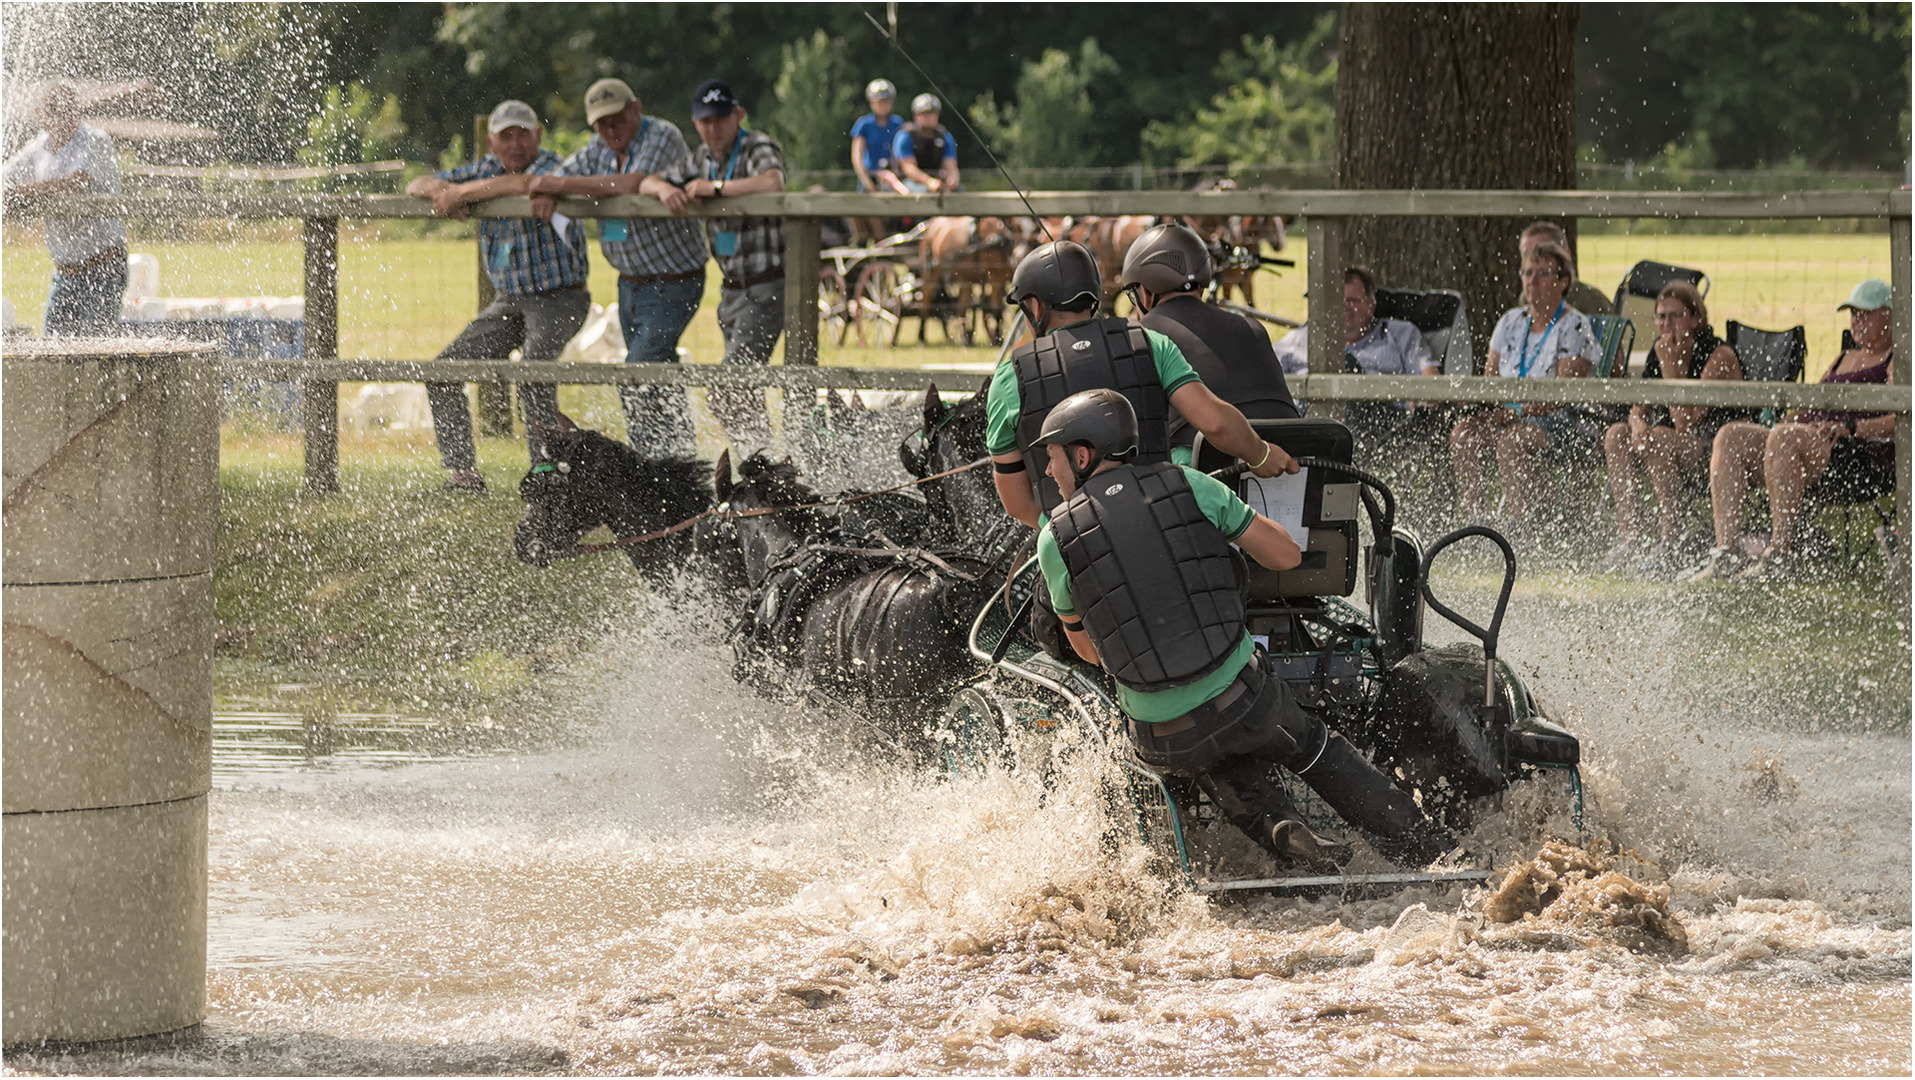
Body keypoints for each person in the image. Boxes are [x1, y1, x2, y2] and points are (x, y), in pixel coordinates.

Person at [1032, 389, 1461, 871]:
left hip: (1159, 734)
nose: (1049, 471)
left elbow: (1090, 652)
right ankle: (1434, 855)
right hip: (1246, 701)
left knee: (1206, 748)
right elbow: (1286, 557)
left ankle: (1279, 827)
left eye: (1052, 458)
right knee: (1314, 747)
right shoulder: (1190, 485)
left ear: (1082, 454)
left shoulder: (1054, 539)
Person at [985, 240, 1297, 529]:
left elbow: (1017, 502)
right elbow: (1214, 422)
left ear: (1035, 307)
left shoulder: (1009, 378)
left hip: (1073, 544)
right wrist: (1262, 455)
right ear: (1093, 299)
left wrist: (1059, 535)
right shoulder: (1151, 343)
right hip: (1162, 526)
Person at [519, 78, 709, 458]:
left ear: (635, 109)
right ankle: (679, 461)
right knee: (657, 372)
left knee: (638, 370)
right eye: (601, 125)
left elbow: (630, 183)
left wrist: (554, 184)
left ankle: (652, 461)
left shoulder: (663, 136)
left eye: (617, 120)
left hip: (674, 280)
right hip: (631, 284)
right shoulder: (598, 149)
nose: (610, 130)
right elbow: (563, 175)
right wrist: (547, 187)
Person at [406, 100, 589, 492]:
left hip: (560, 297)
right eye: (506, 136)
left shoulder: (555, 167)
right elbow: (415, 183)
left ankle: (546, 475)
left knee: (533, 371)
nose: (516, 143)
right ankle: (464, 475)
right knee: (444, 369)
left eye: (523, 133)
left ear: (538, 135)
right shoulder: (484, 170)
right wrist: (445, 192)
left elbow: (525, 184)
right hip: (510, 301)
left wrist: (462, 194)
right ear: (492, 143)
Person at [1685, 279, 1896, 582]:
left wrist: (1852, 427)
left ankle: (1779, 557)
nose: (1856, 321)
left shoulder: (1896, 360)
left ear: (1889, 316)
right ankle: (1727, 553)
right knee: (1731, 435)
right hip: (1808, 442)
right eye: (1853, 314)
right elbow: (1814, 403)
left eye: (1866, 314)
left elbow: (1901, 418)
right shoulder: (1843, 357)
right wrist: (1790, 416)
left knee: (1785, 438)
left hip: (1857, 456)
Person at [663, 78, 787, 449]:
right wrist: (665, 190)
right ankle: (763, 465)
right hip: (731, 291)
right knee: (739, 389)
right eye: (705, 121)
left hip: (767, 285)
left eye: (720, 118)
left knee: (726, 388)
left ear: (738, 116)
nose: (712, 128)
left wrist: (714, 190)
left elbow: (773, 182)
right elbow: (652, 181)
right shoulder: (700, 158)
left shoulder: (756, 146)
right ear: (695, 122)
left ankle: (762, 466)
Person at [1447, 239, 1603, 528]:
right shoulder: (1510, 321)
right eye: (1527, 272)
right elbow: (1489, 381)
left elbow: (1564, 394)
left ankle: (1518, 530)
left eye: (1543, 273)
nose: (1532, 280)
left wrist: (1516, 413)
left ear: (1563, 281)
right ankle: (1477, 524)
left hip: (1563, 420)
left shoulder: (1574, 325)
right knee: (1462, 435)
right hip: (1510, 416)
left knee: (1511, 440)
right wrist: (1479, 408)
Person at [1117, 222, 1301, 464]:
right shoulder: (1252, 328)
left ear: (1145, 293)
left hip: (1206, 470)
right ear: (1202, 286)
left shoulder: (1143, 336)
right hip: (1291, 457)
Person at [1598, 282, 1743, 576]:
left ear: (1695, 317)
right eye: (1660, 317)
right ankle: (1631, 540)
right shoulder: (1661, 348)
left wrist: (1670, 367)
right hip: (1664, 442)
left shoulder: (1719, 355)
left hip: (1714, 448)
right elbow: (1639, 407)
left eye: (1674, 316)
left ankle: (1670, 539)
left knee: (1661, 437)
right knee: (1617, 434)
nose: (1666, 324)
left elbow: (1686, 422)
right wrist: (1637, 425)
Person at [2, 82, 128, 335]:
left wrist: (21, 191)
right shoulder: (40, 148)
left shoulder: (95, 140)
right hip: (64, 272)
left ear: (77, 108)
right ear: (42, 114)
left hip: (102, 267)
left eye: (68, 108)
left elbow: (74, 183)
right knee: (53, 351)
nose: (63, 115)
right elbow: (5, 177)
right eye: (55, 109)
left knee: (96, 352)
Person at [1517, 221, 1612, 316]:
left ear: (1565, 255)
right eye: (1527, 255)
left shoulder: (1591, 301)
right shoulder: (1527, 297)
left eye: (1543, 252)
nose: (1533, 260)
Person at [892, 93, 960, 194]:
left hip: (937, 182)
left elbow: (951, 166)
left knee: (959, 192)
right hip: (908, 182)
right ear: (916, 115)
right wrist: (929, 182)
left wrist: (953, 180)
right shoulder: (905, 136)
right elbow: (909, 168)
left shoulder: (944, 137)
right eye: (924, 113)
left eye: (932, 113)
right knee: (921, 191)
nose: (928, 117)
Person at [849, 79, 908, 194]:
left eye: (886, 101)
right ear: (871, 102)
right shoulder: (864, 124)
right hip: (871, 177)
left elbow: (904, 153)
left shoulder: (898, 124)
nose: (882, 105)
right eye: (878, 101)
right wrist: (866, 181)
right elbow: (857, 156)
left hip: (895, 178)